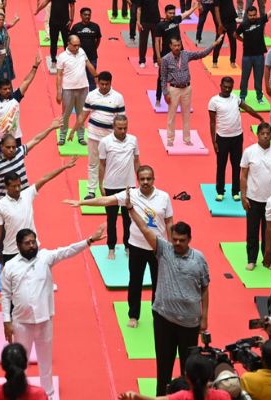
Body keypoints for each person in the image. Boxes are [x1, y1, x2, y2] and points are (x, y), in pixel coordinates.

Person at [1, 225, 106, 397]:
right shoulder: (10, 267)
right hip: (21, 322)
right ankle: (19, 393)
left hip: (44, 320)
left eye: (33, 242)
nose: (32, 246)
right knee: (19, 363)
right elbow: (5, 294)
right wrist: (6, 321)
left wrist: (90, 240)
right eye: (27, 243)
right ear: (18, 245)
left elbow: (67, 251)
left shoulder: (45, 257)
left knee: (45, 361)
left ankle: (48, 393)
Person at [125, 191, 211, 396]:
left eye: (182, 240)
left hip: (190, 323)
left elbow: (205, 287)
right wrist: (130, 210)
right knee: (163, 367)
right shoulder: (163, 249)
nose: (177, 243)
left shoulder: (199, 259)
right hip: (163, 319)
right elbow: (145, 229)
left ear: (189, 239)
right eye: (175, 239)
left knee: (187, 371)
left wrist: (204, 316)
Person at [65, 165, 173, 328]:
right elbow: (106, 200)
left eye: (148, 179)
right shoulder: (130, 195)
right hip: (136, 246)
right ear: (137, 180)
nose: (145, 182)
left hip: (158, 248)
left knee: (159, 283)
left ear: (153, 179)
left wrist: (170, 246)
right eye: (142, 179)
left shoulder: (163, 197)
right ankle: (133, 315)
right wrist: (81, 202)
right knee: (135, 282)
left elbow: (169, 221)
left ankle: (157, 315)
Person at [0, 159, 77, 266]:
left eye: (19, 185)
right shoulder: (0, 205)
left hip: (31, 246)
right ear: (6, 187)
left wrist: (64, 167)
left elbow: (45, 178)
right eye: (14, 186)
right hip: (11, 251)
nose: (18, 188)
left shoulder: (27, 194)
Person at [70, 71, 125, 200]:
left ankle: (107, 188)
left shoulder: (118, 98)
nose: (104, 86)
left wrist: (122, 136)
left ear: (111, 83)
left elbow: (122, 119)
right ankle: (91, 191)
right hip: (94, 135)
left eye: (106, 84)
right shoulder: (91, 95)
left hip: (110, 138)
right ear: (97, 83)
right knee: (93, 163)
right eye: (101, 84)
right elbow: (83, 115)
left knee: (110, 164)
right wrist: (73, 130)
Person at [210, 76, 266, 202]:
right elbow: (212, 122)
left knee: (237, 166)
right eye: (225, 87)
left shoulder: (235, 98)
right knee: (221, 166)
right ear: (220, 85)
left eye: (229, 87)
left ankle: (236, 191)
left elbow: (247, 108)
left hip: (237, 137)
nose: (227, 89)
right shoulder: (214, 101)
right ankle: (220, 191)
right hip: (222, 138)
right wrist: (214, 141)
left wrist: (259, 117)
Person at [240, 123, 271, 270]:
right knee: (252, 230)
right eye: (262, 133)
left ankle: (268, 259)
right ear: (257, 135)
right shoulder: (249, 152)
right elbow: (243, 175)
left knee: (270, 231)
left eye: (268, 133)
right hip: (253, 198)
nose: (265, 136)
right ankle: (251, 259)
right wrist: (243, 196)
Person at [162, 36, 222, 147]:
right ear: (170, 46)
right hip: (173, 89)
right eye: (174, 45)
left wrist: (214, 45)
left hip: (186, 89)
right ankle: (170, 139)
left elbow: (201, 54)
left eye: (178, 45)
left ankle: (187, 138)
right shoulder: (166, 59)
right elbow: (163, 77)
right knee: (171, 115)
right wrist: (165, 93)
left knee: (186, 115)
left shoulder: (186, 55)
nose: (177, 47)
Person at [99, 115, 140, 260]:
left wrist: (139, 181)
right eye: (120, 128)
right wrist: (100, 183)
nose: (123, 131)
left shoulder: (133, 140)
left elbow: (136, 161)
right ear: (113, 127)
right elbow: (102, 164)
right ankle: (111, 247)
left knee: (128, 219)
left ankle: (128, 245)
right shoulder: (105, 142)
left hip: (129, 187)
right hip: (111, 185)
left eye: (125, 128)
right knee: (111, 219)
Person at [0, 55, 41, 157]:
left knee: (17, 164)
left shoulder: (16, 98)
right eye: (5, 89)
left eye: (9, 88)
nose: (8, 91)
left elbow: (26, 81)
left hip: (15, 138)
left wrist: (35, 66)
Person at [0, 119, 61, 197]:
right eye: (8, 147)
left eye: (13, 147)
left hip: (24, 197)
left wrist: (50, 128)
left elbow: (36, 139)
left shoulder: (20, 151)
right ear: (1, 147)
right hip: (5, 202)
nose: (11, 150)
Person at [119, 352, 230, 400]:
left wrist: (136, 396)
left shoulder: (183, 396)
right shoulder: (224, 396)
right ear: (210, 376)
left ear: (186, 377)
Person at [236, 2, 271, 105]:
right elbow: (235, 34)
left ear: (257, 14)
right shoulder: (243, 24)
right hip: (247, 56)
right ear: (247, 15)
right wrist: (242, 40)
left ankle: (259, 97)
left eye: (254, 15)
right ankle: (242, 97)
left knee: (258, 77)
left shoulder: (260, 21)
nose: (252, 17)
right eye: (250, 15)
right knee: (245, 78)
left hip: (259, 55)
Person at [56, 35, 98, 146]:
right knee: (66, 114)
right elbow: (59, 75)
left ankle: (80, 136)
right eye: (74, 45)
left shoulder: (82, 52)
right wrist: (59, 92)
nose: (77, 47)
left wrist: (96, 76)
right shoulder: (62, 57)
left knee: (81, 113)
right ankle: (62, 135)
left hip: (83, 87)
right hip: (68, 89)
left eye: (78, 45)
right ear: (68, 44)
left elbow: (88, 64)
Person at [154, 4, 198, 107]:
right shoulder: (160, 25)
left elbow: (185, 14)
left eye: (173, 13)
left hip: (179, 53)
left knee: (180, 76)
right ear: (165, 13)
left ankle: (180, 98)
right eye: (170, 13)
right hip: (166, 54)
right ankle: (158, 98)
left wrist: (193, 8)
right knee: (162, 77)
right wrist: (158, 57)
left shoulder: (176, 20)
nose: (172, 15)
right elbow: (157, 42)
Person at [35, 0, 75, 73]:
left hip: (65, 22)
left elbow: (72, 5)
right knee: (53, 42)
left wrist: (71, 19)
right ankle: (53, 60)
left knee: (66, 43)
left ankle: (67, 60)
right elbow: (45, 2)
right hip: (53, 21)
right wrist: (38, 10)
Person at [0, 13, 21, 94]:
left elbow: (11, 24)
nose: (1, 21)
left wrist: (16, 19)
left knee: (8, 77)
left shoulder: (4, 28)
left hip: (7, 58)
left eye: (2, 20)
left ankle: (9, 95)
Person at [70, 7, 101, 90]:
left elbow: (98, 39)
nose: (87, 16)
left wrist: (94, 48)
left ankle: (92, 98)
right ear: (81, 15)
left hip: (92, 58)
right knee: (78, 78)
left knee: (92, 78)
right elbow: (71, 41)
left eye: (89, 15)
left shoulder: (95, 26)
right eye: (85, 15)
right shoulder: (76, 27)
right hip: (78, 58)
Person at [212, 0, 239, 69]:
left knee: (233, 41)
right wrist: (220, 24)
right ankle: (214, 61)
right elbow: (216, 10)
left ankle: (232, 61)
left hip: (232, 20)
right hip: (223, 21)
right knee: (219, 41)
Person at [134, 0, 160, 69]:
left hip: (156, 20)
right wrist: (138, 21)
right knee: (143, 42)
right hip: (144, 21)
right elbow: (139, 9)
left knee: (156, 41)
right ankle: (142, 61)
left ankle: (156, 60)